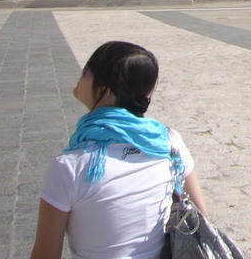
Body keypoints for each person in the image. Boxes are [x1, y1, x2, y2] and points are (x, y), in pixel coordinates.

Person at [31, 41, 207, 259]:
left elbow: (45, 254)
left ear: (106, 90)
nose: (81, 75)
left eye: (87, 70)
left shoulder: (69, 167)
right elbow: (200, 218)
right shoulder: (170, 142)